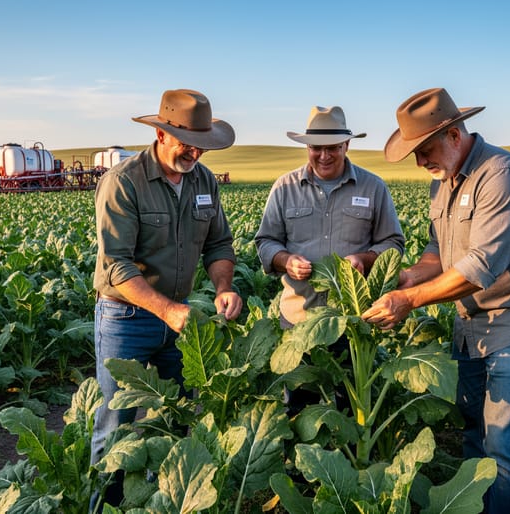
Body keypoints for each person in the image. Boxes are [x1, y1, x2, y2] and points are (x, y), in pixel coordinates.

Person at [361, 87, 510, 514]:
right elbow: (439, 253)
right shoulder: (444, 182)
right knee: (472, 432)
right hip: (470, 327)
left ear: (453, 135)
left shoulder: (501, 174)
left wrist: (408, 300)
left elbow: (481, 266)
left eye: (425, 149)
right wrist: (403, 277)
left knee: (503, 444)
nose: (420, 162)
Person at [91, 88, 243, 509]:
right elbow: (117, 266)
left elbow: (219, 245)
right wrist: (167, 309)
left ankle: (165, 500)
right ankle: (102, 504)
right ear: (161, 135)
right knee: (115, 424)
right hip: (126, 319)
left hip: (179, 318)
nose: (194, 153)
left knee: (179, 418)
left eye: (202, 146)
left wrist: (224, 287)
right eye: (186, 144)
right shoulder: (123, 182)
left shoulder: (204, 181)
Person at [255, 105, 405, 410]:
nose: (324, 156)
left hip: (354, 321)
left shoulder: (372, 187)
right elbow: (265, 242)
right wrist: (286, 260)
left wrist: (364, 259)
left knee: (352, 405)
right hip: (299, 319)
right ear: (307, 147)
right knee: (299, 406)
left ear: (346, 145)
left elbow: (393, 243)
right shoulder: (284, 188)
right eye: (316, 148)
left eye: (333, 148)